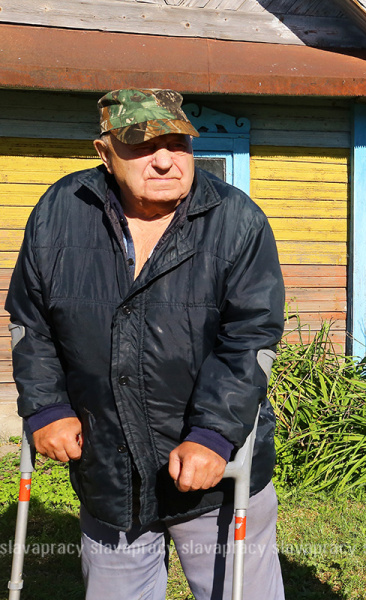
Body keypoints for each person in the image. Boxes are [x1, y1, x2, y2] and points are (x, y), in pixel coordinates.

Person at [5, 89, 286, 600]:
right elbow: (31, 321)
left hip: (215, 474)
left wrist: (214, 434)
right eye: (141, 144)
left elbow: (251, 336)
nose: (164, 160)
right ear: (104, 151)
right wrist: (46, 407)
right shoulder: (60, 213)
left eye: (177, 142)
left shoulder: (237, 221)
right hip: (109, 472)